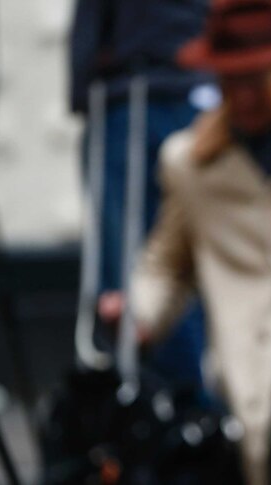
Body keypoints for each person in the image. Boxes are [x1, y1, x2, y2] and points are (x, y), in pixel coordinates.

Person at [105, 0, 271, 483]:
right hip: (247, 388)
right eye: (229, 79)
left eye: (254, 77)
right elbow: (166, 264)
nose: (241, 94)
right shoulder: (191, 162)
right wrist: (138, 315)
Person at [70, 0, 211, 393]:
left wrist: (84, 89)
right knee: (179, 262)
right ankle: (185, 405)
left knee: (139, 269)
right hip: (193, 87)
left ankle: (160, 403)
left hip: (135, 91)